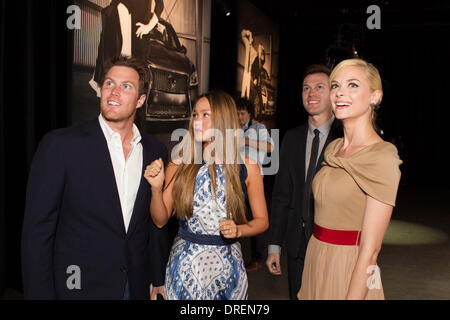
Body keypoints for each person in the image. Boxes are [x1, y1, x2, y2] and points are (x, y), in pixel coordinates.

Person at [22, 55, 168, 299]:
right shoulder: (61, 146)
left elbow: (151, 224)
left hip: (134, 284)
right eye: (109, 83)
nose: (114, 92)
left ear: (141, 100)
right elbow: (37, 233)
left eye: (126, 86)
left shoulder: (154, 151)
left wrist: (157, 277)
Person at [144, 90, 269, 300]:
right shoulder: (180, 163)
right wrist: (156, 189)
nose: (196, 121)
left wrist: (239, 229)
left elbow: (262, 221)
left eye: (205, 115)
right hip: (185, 269)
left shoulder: (247, 167)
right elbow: (159, 220)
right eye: (194, 115)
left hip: (228, 271)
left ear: (223, 119)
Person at [298, 58, 402, 300]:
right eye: (335, 86)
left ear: (375, 97)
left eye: (353, 85)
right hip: (317, 259)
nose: (340, 93)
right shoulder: (333, 148)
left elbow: (371, 250)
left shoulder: (382, 157)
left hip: (351, 268)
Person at [266, 64, 342, 300]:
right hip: (297, 248)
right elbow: (281, 196)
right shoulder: (291, 137)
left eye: (320, 87)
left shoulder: (346, 139)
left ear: (332, 94)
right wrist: (274, 245)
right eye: (306, 88)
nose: (311, 94)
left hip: (333, 247)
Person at [90, 0, 166, 96]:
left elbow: (160, 5)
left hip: (137, 36)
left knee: (133, 77)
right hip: (116, 26)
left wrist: (149, 27)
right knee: (111, 71)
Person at [236, 97, 273, 272]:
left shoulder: (259, 128)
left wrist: (247, 141)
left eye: (242, 113)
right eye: (237, 113)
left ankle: (257, 259)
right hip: (235, 181)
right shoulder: (232, 128)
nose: (239, 116)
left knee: (255, 220)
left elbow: (270, 148)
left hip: (253, 182)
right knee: (233, 219)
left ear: (249, 113)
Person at [241, 29, 257, 100]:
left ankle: (246, 102)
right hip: (246, 70)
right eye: (250, 38)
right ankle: (242, 102)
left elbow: (255, 54)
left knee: (247, 93)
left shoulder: (253, 50)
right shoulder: (247, 44)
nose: (250, 39)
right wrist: (248, 33)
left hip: (249, 71)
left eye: (251, 38)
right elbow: (243, 35)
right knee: (243, 91)